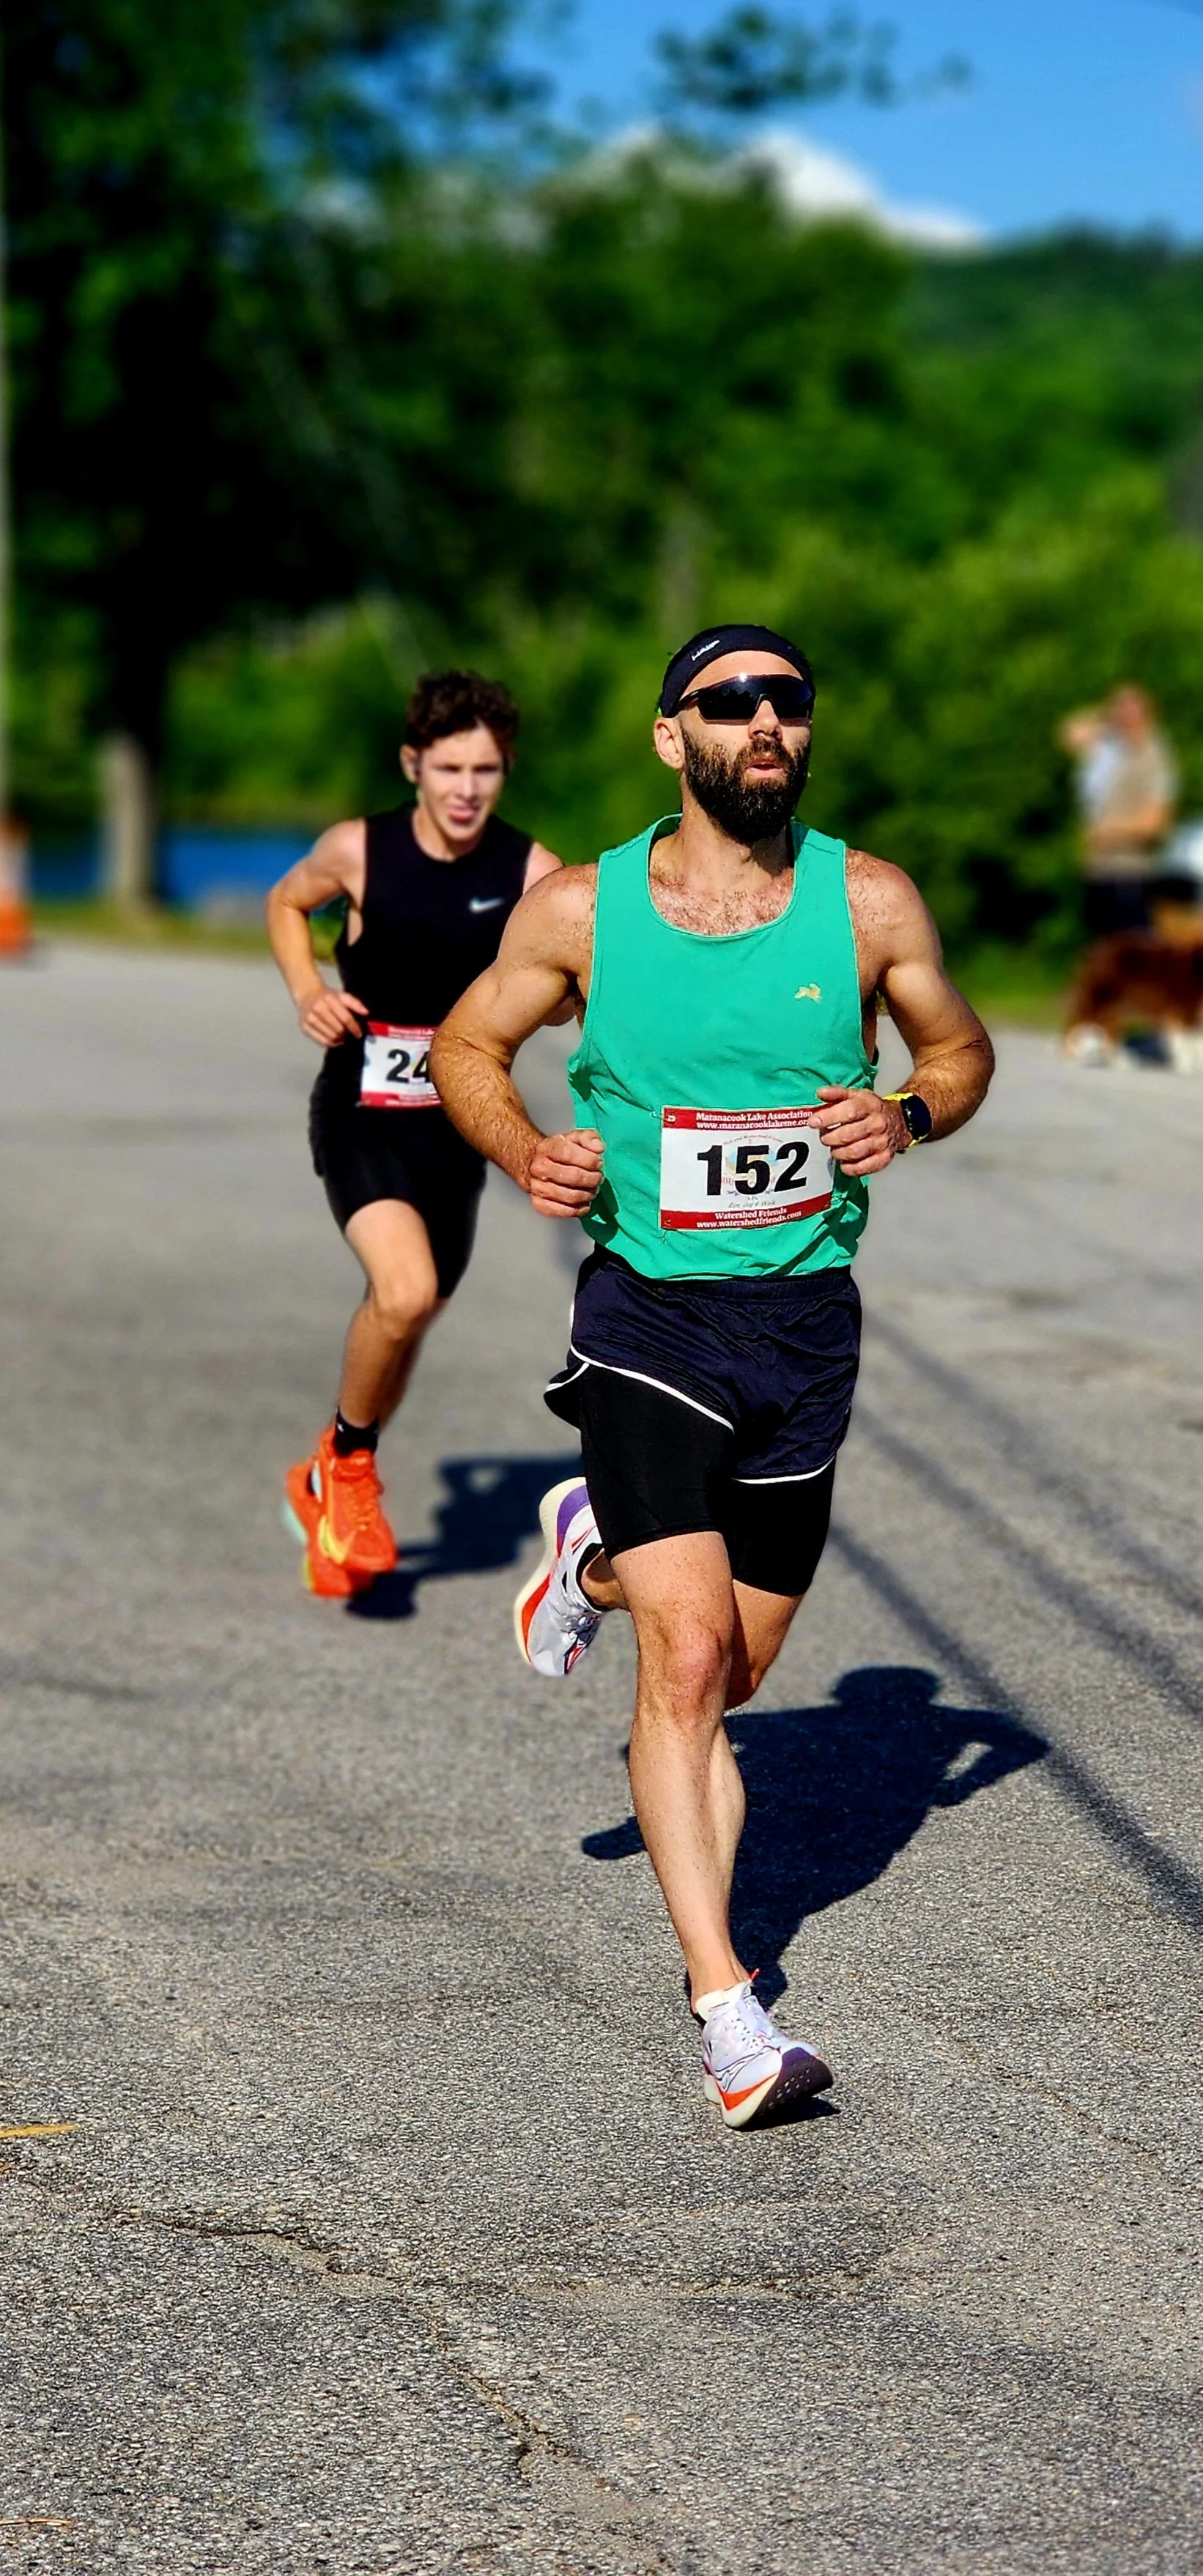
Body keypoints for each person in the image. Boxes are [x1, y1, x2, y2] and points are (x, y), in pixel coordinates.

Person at [432, 623, 994, 2130]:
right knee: (683, 1671)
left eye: (785, 701)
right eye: (727, 702)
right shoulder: (578, 910)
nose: (762, 723)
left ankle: (594, 1553)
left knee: (738, 1668)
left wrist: (910, 1113)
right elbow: (465, 1046)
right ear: (668, 737)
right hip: (649, 1321)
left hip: (806, 1329)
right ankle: (728, 2015)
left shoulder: (866, 901)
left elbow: (954, 1047)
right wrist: (520, 1144)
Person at [267, 669, 560, 1596]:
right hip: (361, 1107)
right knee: (402, 1291)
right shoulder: (358, 850)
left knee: (411, 1317)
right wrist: (311, 990)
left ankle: (326, 1473)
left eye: (486, 769)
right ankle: (349, 1468)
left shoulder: (530, 872)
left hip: (461, 1127)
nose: (467, 789)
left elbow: (576, 984)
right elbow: (285, 903)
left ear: (505, 769)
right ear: (413, 765)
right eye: (448, 768)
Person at [1059, 686, 1178, 940]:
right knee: (1103, 957)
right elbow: (1070, 733)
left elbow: (1155, 824)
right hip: (1099, 871)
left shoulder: (1155, 757)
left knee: (1133, 958)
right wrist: (1107, 714)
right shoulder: (1111, 751)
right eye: (1120, 711)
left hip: (1130, 874)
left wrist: (1106, 832)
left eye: (1131, 711)